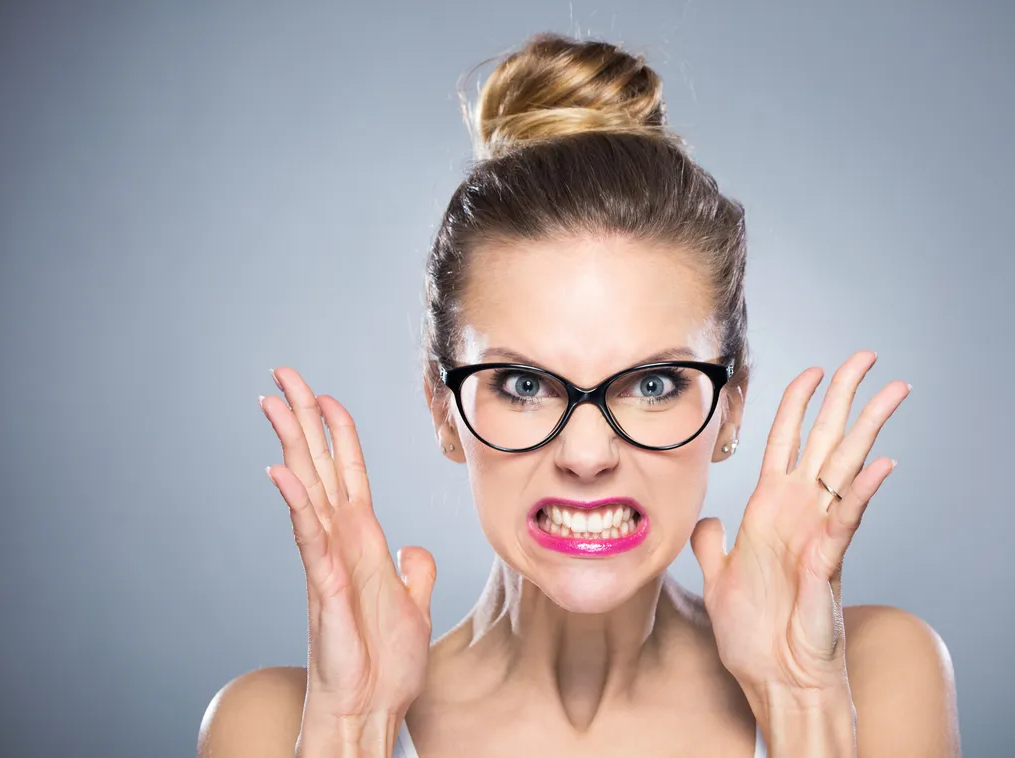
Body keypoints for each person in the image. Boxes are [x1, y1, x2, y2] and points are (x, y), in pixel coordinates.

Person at [198, 32, 960, 758]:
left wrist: (800, 705)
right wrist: (352, 730)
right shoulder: (272, 728)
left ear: (729, 407)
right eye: (523, 385)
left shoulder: (875, 676)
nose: (587, 454)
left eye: (654, 384)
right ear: (443, 407)